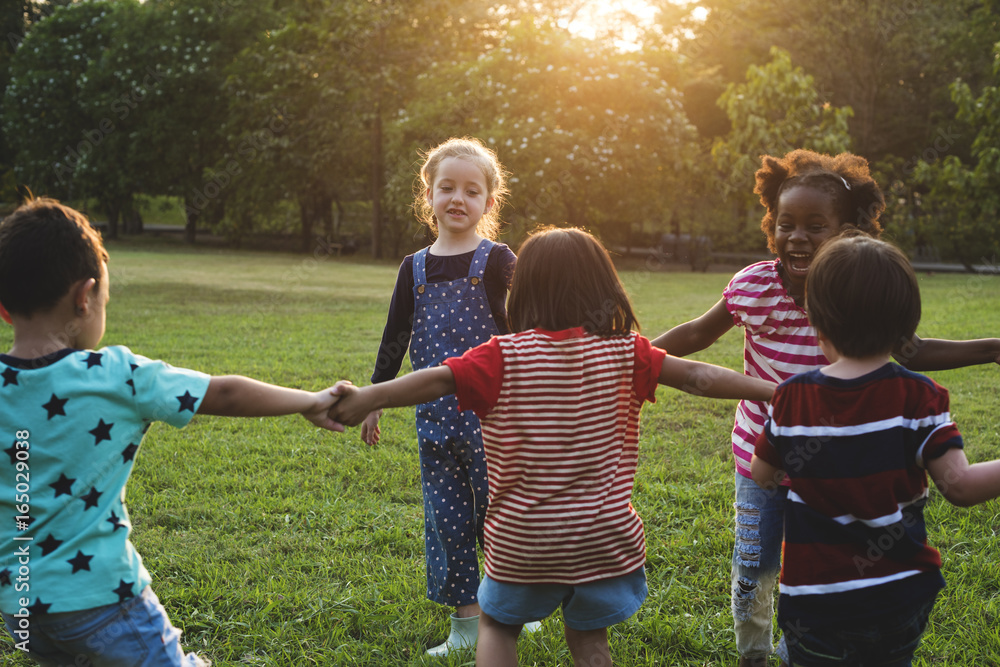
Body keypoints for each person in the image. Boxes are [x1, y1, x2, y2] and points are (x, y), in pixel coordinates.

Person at [331, 227, 777, 667]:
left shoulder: (501, 356)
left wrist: (370, 396)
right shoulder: (627, 353)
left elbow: (436, 379)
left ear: (522, 293)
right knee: (588, 640)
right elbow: (700, 376)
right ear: (606, 287)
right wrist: (774, 392)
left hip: (523, 541)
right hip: (602, 540)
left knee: (496, 627)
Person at [650, 149, 1000, 667]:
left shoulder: (855, 293)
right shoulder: (753, 286)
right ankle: (753, 654)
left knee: (819, 565)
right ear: (771, 226)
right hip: (761, 455)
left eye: (816, 225)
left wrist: (990, 348)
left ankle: (804, 652)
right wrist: (634, 357)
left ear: (848, 231)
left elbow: (910, 350)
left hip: (835, 462)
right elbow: (698, 334)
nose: (798, 236)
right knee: (756, 565)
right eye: (786, 224)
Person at [0, 198, 343, 666]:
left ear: (4, 308)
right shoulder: (114, 374)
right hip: (104, 598)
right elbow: (225, 394)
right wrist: (311, 401)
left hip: (24, 612)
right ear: (86, 296)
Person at [751, 233, 1000, 666]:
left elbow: (762, 474)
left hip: (817, 607)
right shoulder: (920, 396)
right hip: (900, 599)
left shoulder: (792, 398)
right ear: (906, 328)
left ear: (817, 321)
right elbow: (960, 487)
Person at [361, 137, 518, 655]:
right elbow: (394, 336)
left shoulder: (498, 261)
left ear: (488, 204)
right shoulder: (415, 268)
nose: (458, 198)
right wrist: (375, 397)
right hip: (433, 418)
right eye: (446, 187)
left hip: (495, 419)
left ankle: (511, 610)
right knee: (447, 517)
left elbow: (522, 332)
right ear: (427, 195)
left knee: (499, 515)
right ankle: (465, 625)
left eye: (472, 190)